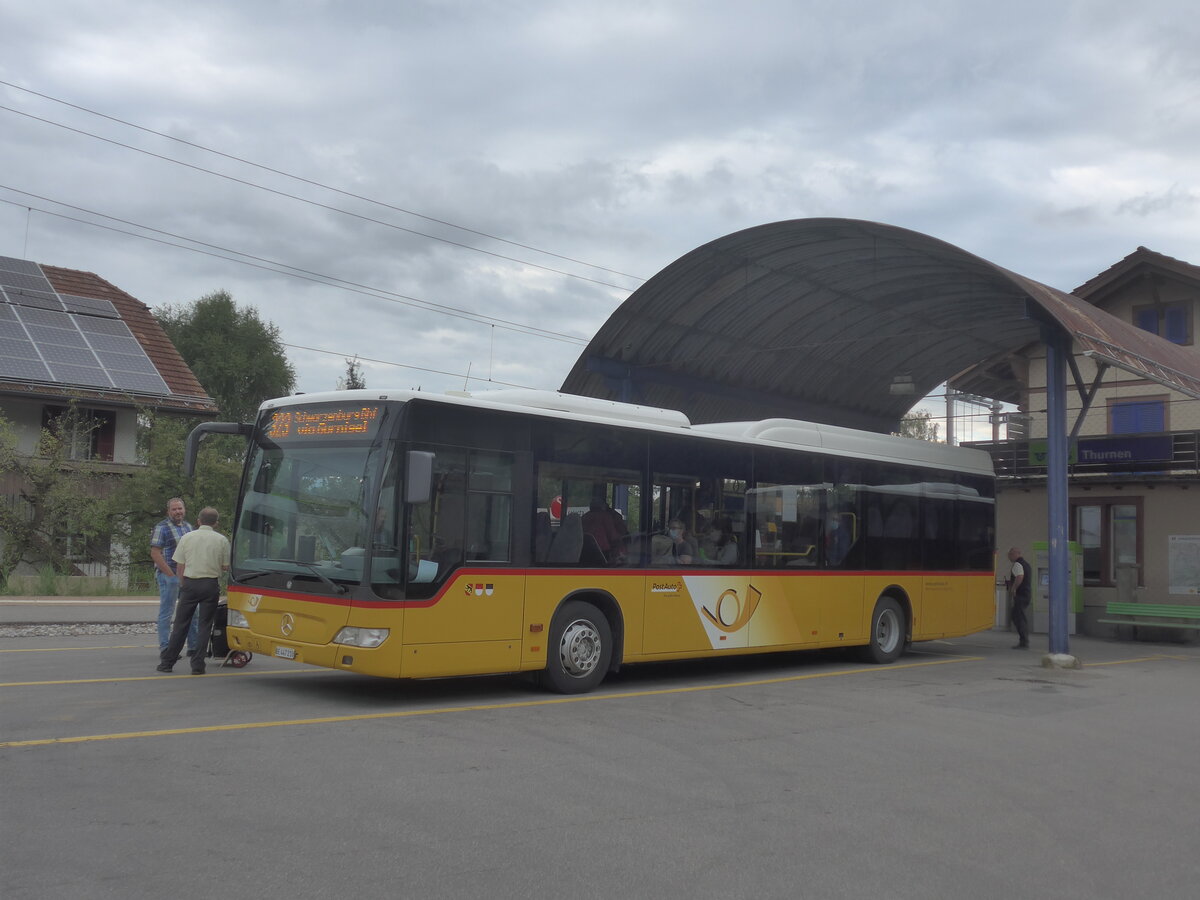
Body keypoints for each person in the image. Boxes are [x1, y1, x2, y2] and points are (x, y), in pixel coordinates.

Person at [156, 507, 231, 675]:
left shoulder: (187, 537)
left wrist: (183, 583)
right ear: (216, 523)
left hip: (190, 583)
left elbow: (179, 564)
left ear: (198, 521)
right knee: (205, 625)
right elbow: (226, 567)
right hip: (210, 584)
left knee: (181, 624)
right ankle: (198, 665)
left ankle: (167, 663)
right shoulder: (222, 540)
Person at [150, 497, 197, 658]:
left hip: (187, 577)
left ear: (184, 510)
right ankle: (166, 648)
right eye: (174, 509)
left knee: (192, 611)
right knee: (167, 613)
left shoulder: (188, 527)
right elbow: (155, 553)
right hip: (169, 577)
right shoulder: (161, 528)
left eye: (180, 509)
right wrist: (170, 575)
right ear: (168, 511)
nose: (178, 512)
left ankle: (194, 646)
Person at [1006, 546, 1032, 650]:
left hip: (1021, 595)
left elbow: (1019, 577)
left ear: (1015, 554)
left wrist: (1013, 588)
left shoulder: (1017, 564)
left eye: (1010, 555)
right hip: (1026, 594)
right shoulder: (1027, 565)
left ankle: (1024, 642)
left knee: (1019, 617)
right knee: (1017, 616)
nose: (1009, 557)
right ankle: (1024, 640)